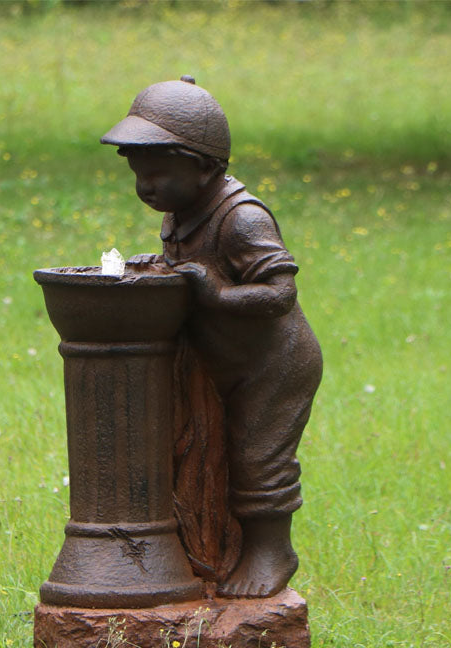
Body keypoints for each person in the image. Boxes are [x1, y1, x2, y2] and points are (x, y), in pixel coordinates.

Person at [101, 77, 322, 597]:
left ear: (205, 166)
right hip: (227, 361)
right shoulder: (183, 211)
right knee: (208, 453)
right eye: (138, 173)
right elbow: (191, 266)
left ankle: (272, 551)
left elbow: (279, 293)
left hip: (274, 365)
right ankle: (215, 550)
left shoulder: (242, 219)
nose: (145, 187)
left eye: (157, 172)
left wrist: (219, 294)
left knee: (257, 458)